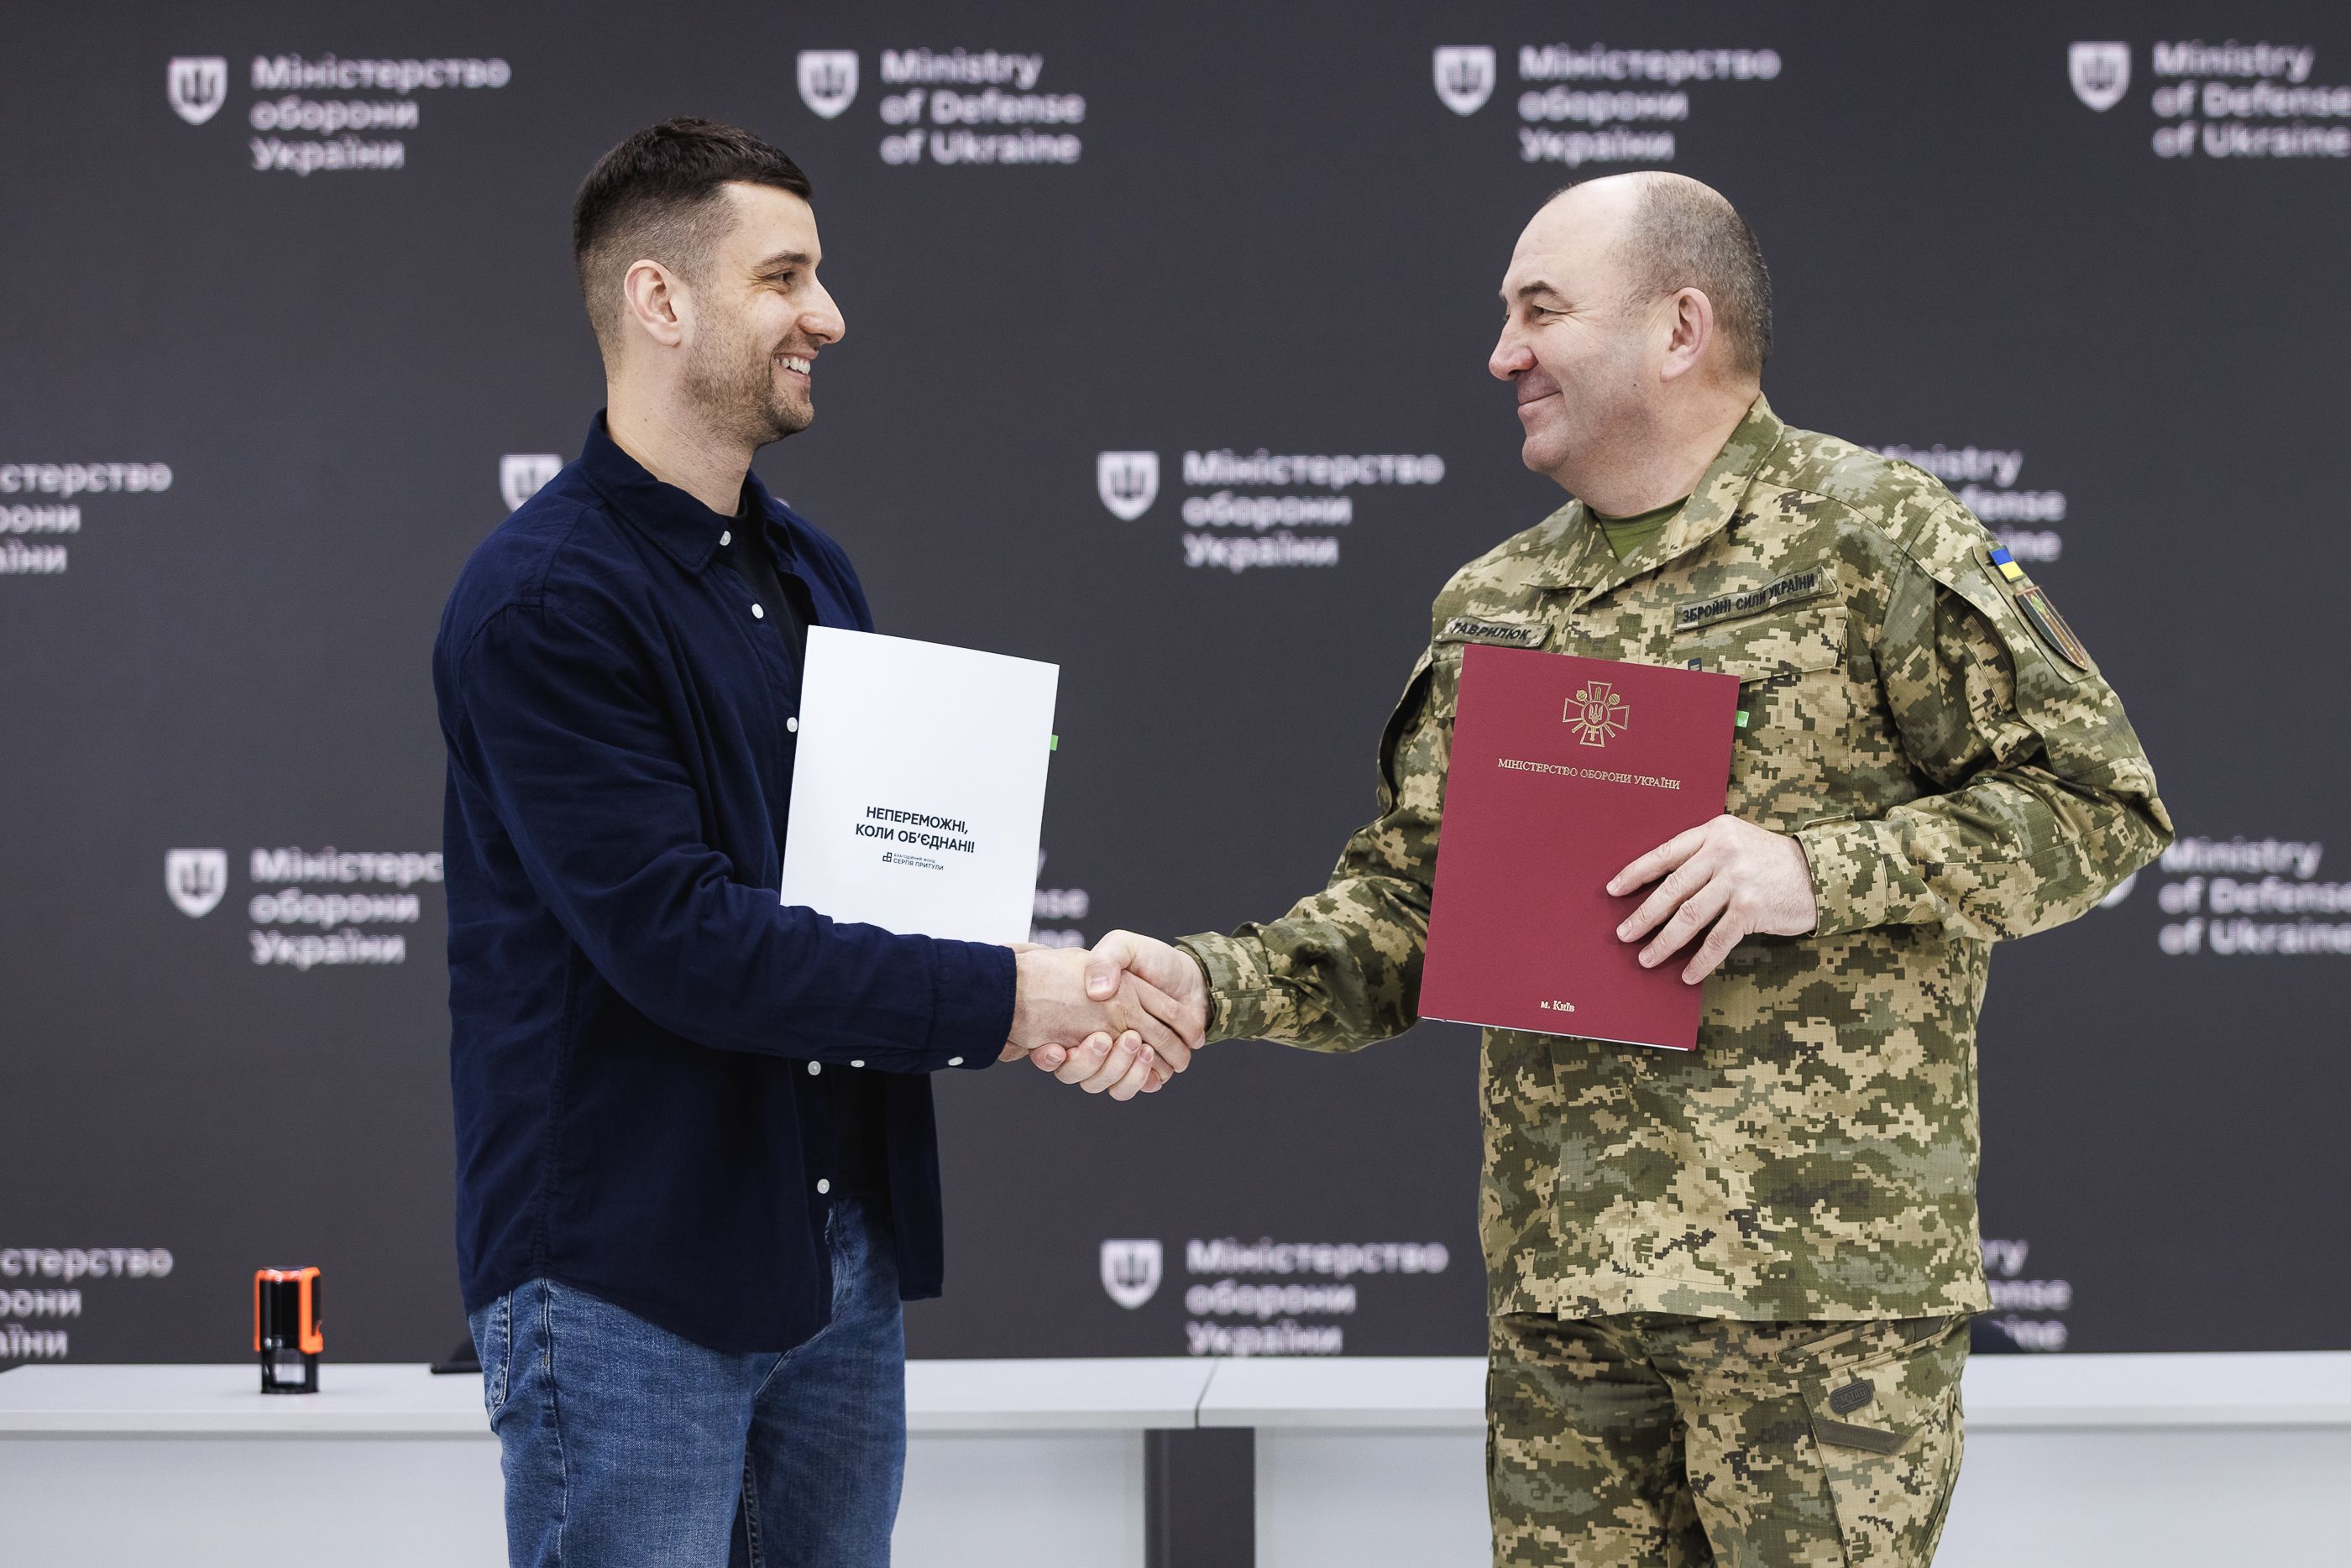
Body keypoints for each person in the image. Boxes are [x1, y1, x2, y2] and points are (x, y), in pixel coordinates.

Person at [1046, 172, 2170, 1565]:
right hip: (1568, 1301)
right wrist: (1205, 984)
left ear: (1680, 327)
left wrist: (1811, 871)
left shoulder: (1875, 534)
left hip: (1816, 1302)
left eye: (1541, 311)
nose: (1503, 354)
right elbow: (1413, 910)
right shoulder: (1497, 600)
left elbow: (2099, 807)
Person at [432, 119, 1174, 1568]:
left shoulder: (812, 569)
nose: (827, 316)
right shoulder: (546, 604)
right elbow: (684, 945)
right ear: (660, 301)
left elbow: (866, 890)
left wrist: (999, 954)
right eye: (785, 277)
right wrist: (1018, 998)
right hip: (626, 1280)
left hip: (836, 1257)